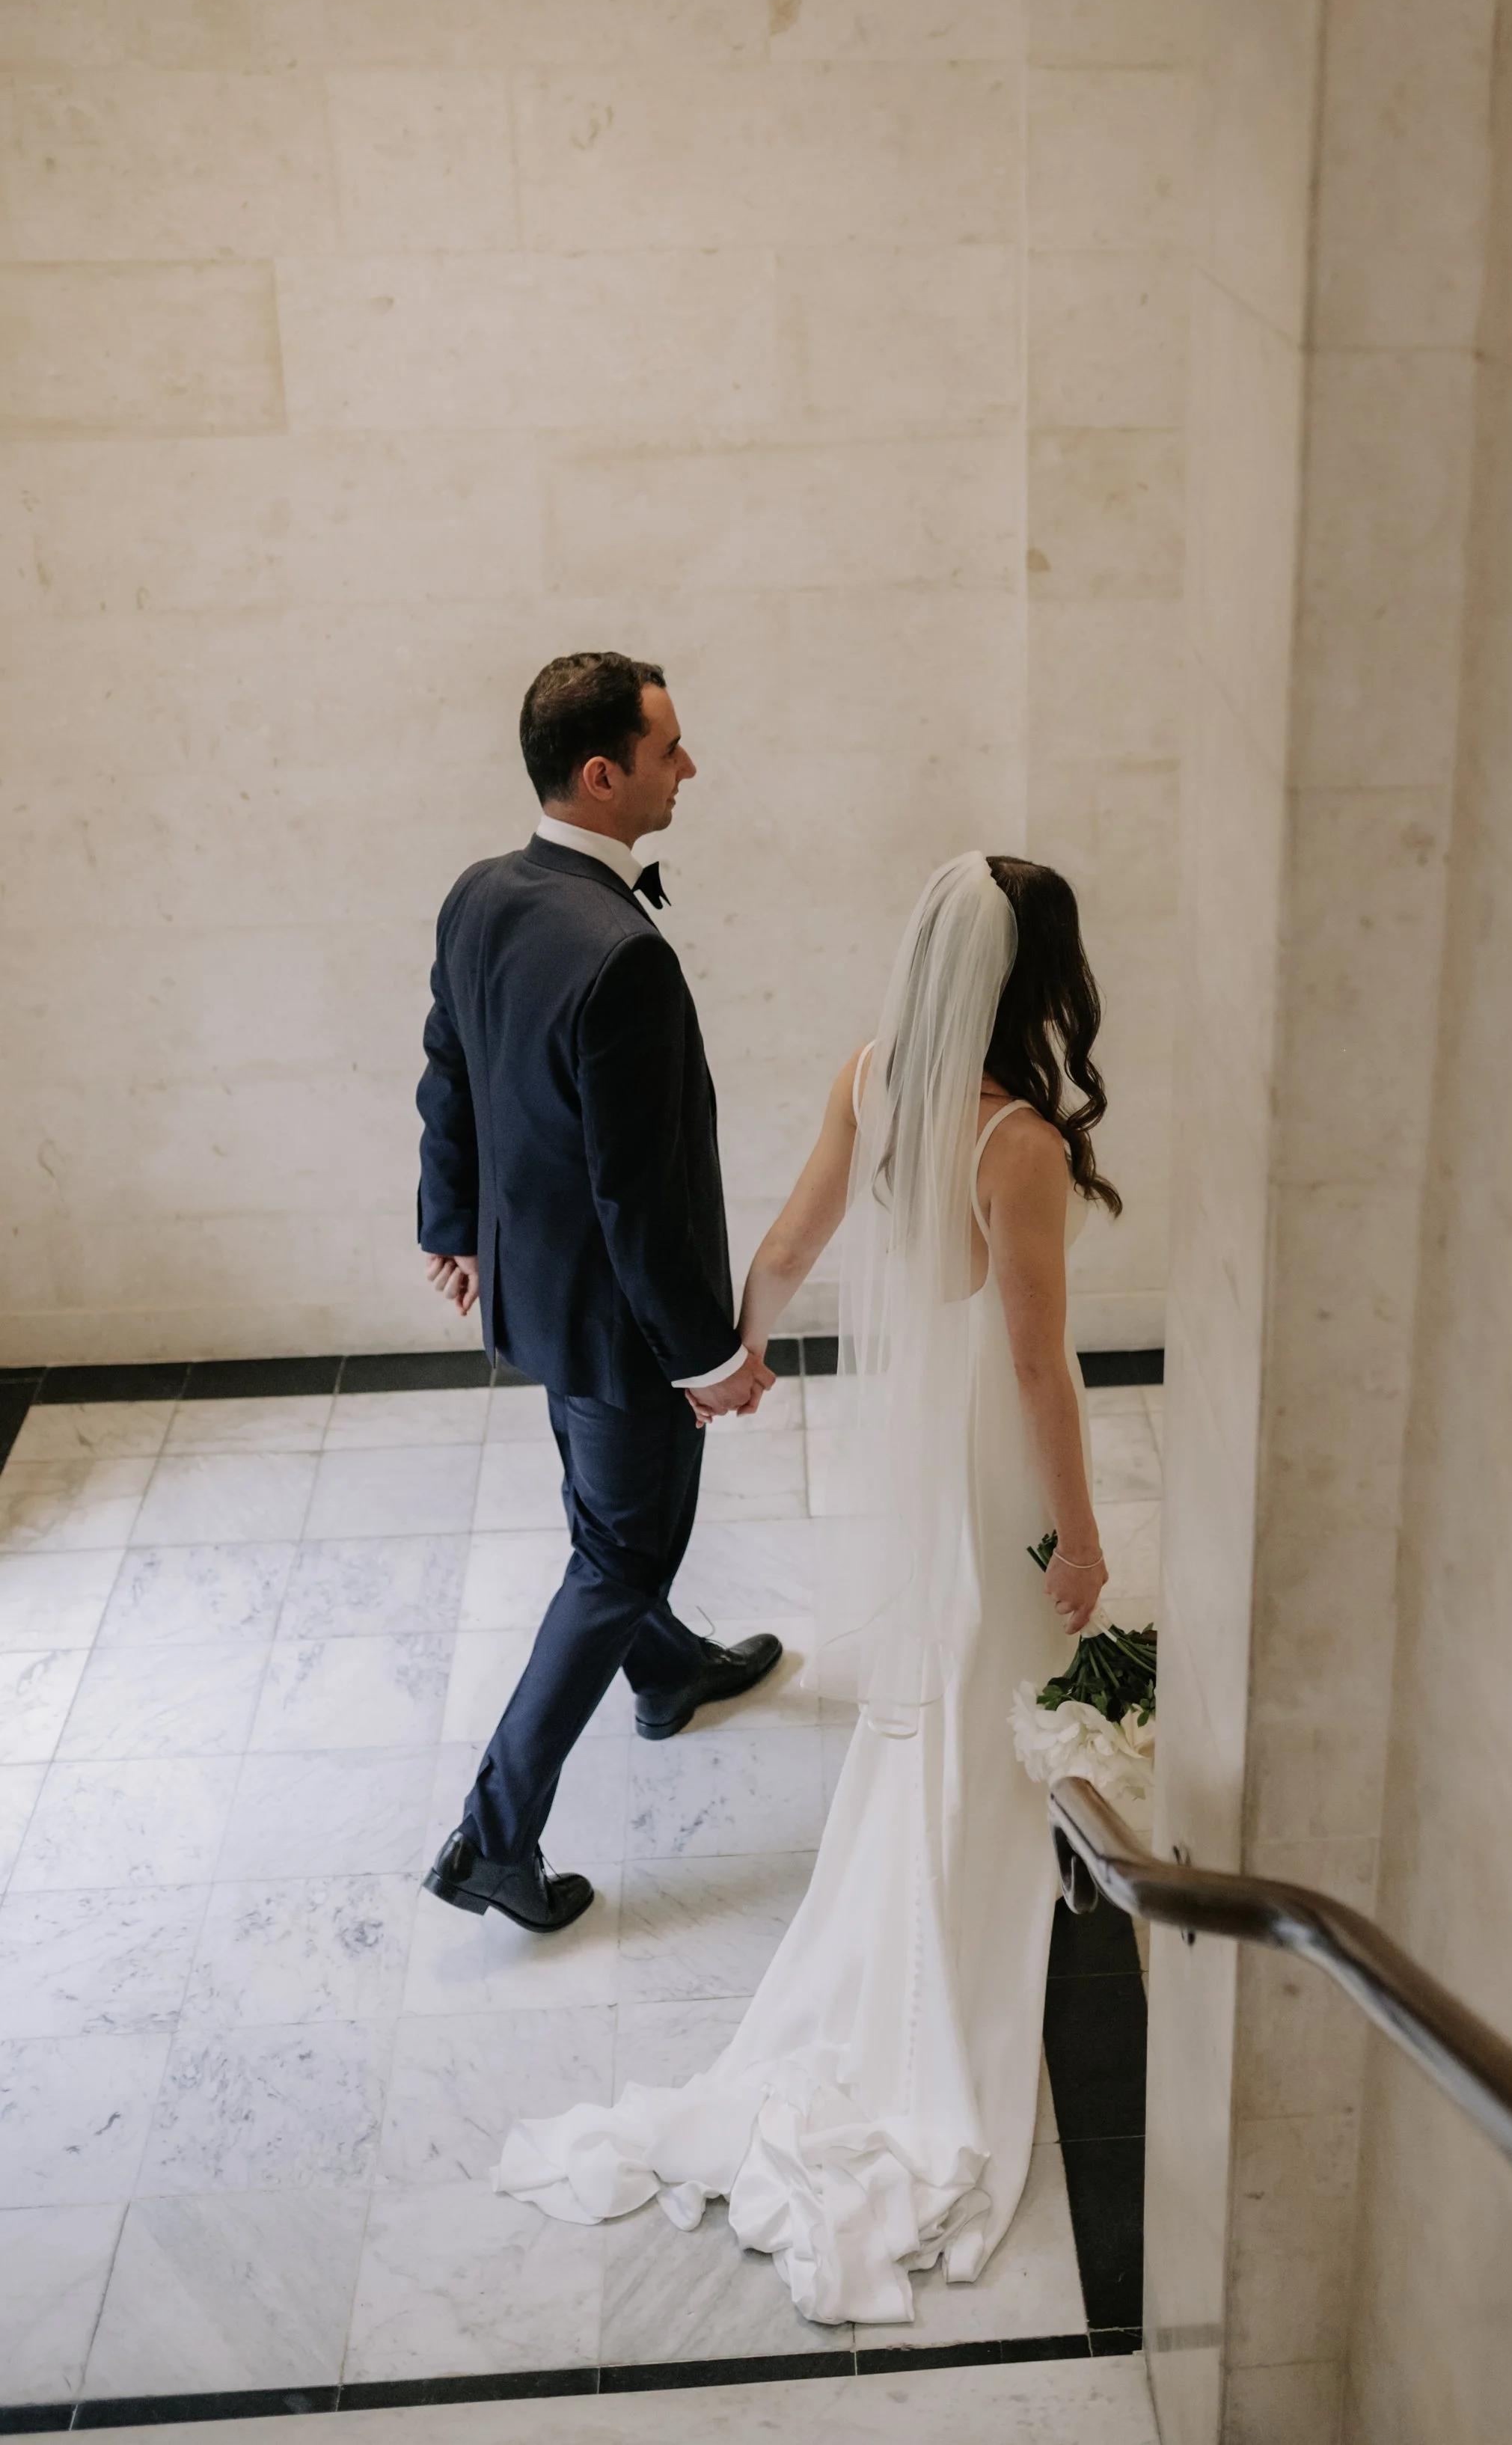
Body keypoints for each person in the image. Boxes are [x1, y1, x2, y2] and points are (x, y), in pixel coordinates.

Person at [495, 850, 1120, 2327]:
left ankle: (958, 1852)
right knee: (1013, 1637)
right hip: (992, 1441)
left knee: (958, 1663)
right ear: (1035, 981)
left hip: (925, 1430)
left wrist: (729, 1357)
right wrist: (1080, 1536)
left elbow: (784, 1247)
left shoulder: (870, 1077)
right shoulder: (1015, 1140)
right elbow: (1036, 1366)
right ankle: (980, 1885)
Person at [416, 652, 783, 1936]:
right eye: (671, 750)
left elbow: (447, 1076)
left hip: (542, 1298)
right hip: (624, 1328)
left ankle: (668, 1670)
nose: (690, 769)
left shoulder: (479, 895)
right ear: (601, 774)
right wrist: (705, 1356)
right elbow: (648, 1191)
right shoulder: (621, 953)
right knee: (620, 1549)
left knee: (604, 1526)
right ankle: (493, 1838)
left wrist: (451, 1226)